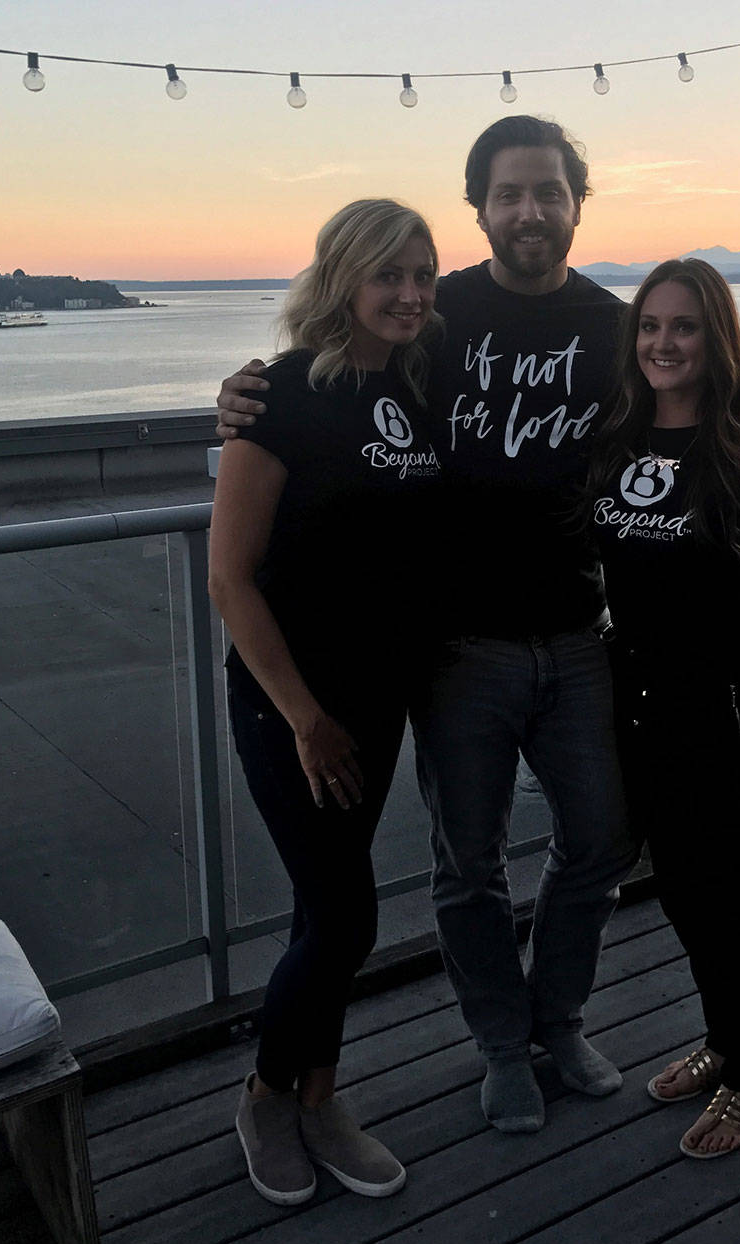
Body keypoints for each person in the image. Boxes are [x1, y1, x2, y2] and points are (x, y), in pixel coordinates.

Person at [217, 117, 638, 1135]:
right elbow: (333, 378)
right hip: (455, 650)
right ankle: (501, 1046)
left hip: (578, 633)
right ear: (480, 207)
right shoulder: (434, 313)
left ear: (578, 201)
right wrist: (243, 397)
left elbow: (686, 423)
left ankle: (557, 1020)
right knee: (466, 865)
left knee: (599, 842)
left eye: (547, 191)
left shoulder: (614, 325)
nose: (529, 211)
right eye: (508, 193)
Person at [208, 198, 442, 1205]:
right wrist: (304, 717)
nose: (407, 294)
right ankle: (266, 1093)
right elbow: (229, 579)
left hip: (377, 698)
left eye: (421, 276)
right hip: (290, 706)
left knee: (324, 905)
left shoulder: (415, 389)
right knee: (346, 916)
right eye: (387, 274)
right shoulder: (283, 396)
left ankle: (319, 1094)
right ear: (342, 277)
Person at [589, 260, 740, 1160]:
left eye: (685, 327)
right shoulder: (619, 435)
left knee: (728, 894)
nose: (663, 343)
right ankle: (725, 1036)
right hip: (635, 697)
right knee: (679, 889)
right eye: (650, 327)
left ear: (716, 338)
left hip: (724, 702)